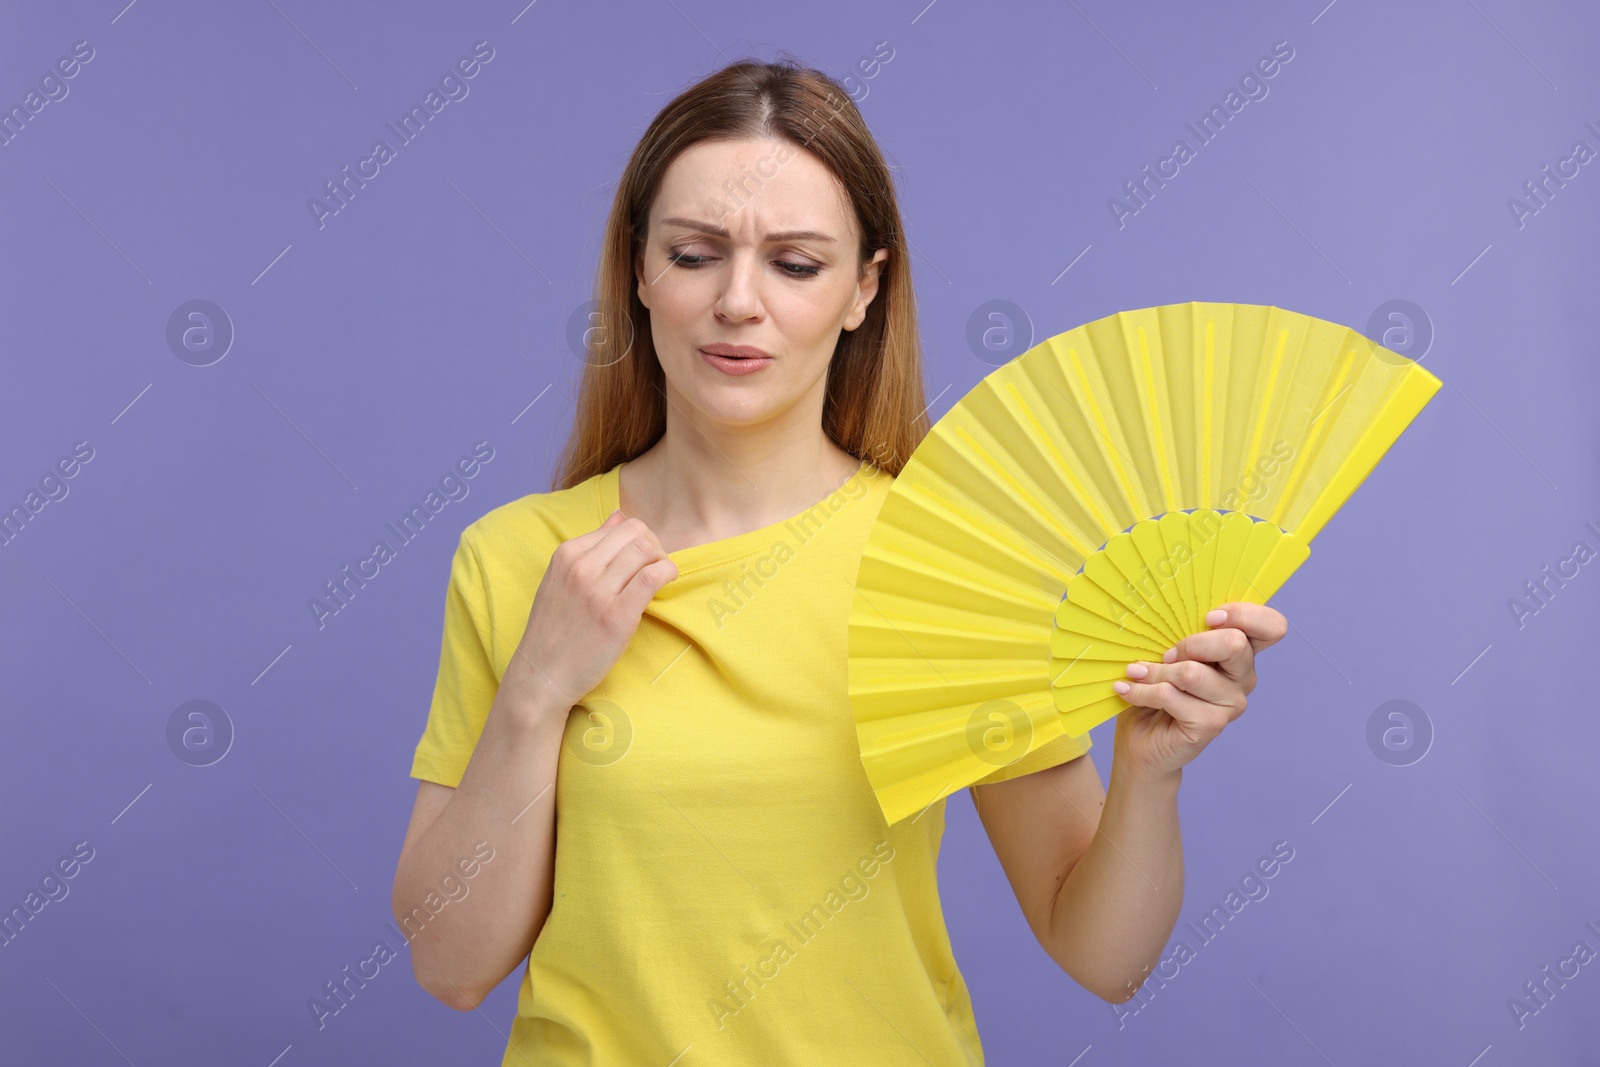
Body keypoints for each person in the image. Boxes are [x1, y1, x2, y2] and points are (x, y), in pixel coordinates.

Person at [390, 56, 1287, 1065]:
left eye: (796, 263)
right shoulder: (519, 558)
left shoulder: (948, 567)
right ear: (639, 270)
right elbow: (449, 963)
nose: (738, 300)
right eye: (694, 254)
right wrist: (536, 691)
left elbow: (1102, 953)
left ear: (864, 288)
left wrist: (1149, 774)